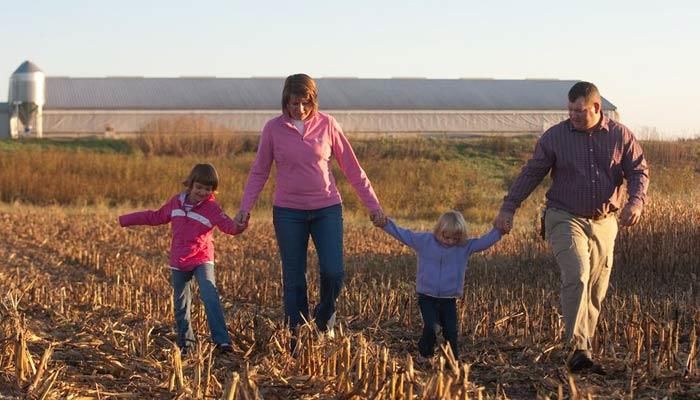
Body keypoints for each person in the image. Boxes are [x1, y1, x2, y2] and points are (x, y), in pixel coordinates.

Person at [493, 81, 649, 374]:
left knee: (596, 287)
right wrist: (508, 206)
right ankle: (577, 349)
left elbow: (639, 170)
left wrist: (636, 202)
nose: (574, 115)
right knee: (577, 273)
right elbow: (532, 173)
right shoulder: (555, 137)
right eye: (570, 110)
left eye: (580, 110)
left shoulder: (620, 135)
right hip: (564, 216)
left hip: (605, 221)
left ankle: (584, 347)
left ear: (596, 108)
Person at [233, 74, 384, 339]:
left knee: (333, 272)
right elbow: (259, 172)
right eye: (293, 104)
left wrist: (373, 205)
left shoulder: (328, 124)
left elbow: (352, 168)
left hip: (327, 209)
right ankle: (296, 335)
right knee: (294, 278)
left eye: (304, 103)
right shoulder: (273, 129)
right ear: (285, 102)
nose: (299, 109)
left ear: (313, 100)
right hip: (288, 212)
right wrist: (245, 207)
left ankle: (324, 318)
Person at [119, 163, 246, 355]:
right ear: (190, 185)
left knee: (209, 295)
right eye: (199, 187)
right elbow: (155, 217)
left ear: (213, 191)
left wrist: (240, 225)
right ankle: (186, 344)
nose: (202, 192)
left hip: (202, 258)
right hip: (179, 260)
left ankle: (222, 342)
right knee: (181, 303)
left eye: (208, 189)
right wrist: (125, 219)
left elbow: (229, 227)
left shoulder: (212, 208)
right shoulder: (175, 203)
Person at [372, 211, 503, 361]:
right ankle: (424, 354)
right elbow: (403, 234)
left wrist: (499, 231)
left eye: (455, 238)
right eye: (446, 237)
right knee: (432, 327)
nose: (450, 241)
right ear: (438, 230)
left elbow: (484, 241)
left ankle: (452, 361)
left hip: (449, 298)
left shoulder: (464, 247)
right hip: (427, 297)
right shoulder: (424, 241)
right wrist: (386, 224)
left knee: (451, 331)